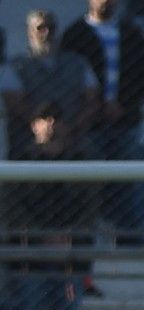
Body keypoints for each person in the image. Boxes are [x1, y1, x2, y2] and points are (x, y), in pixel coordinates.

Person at [4, 103, 97, 310]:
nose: (51, 124)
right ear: (33, 124)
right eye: (43, 118)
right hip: (31, 260)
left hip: (69, 262)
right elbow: (11, 208)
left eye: (57, 117)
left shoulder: (81, 161)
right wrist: (40, 236)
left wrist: (67, 237)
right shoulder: (20, 162)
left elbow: (91, 206)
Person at [61, 0, 144, 234]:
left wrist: (124, 105)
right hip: (90, 124)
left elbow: (139, 74)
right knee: (92, 182)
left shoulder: (131, 34)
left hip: (126, 121)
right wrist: (93, 108)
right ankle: (92, 235)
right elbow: (70, 76)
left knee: (129, 182)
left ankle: (129, 237)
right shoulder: (76, 34)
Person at [0, 10, 97, 155]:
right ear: (29, 32)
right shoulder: (17, 66)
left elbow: (93, 100)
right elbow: (13, 102)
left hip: (73, 139)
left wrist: (71, 127)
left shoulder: (77, 63)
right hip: (28, 141)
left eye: (52, 28)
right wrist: (42, 126)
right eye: (41, 28)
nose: (47, 33)